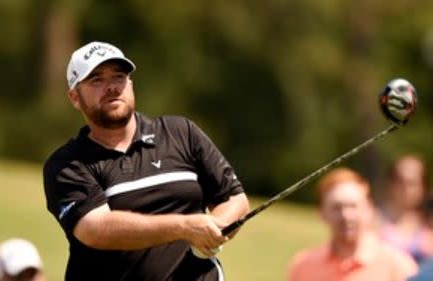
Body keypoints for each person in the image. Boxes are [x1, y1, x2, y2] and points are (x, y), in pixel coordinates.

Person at [42, 41, 250, 281]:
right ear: (74, 97)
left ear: (130, 84)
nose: (111, 87)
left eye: (119, 77)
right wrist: (184, 227)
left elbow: (233, 198)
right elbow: (96, 229)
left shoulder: (181, 133)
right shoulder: (67, 164)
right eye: (96, 80)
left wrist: (214, 227)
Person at [287, 168, 418, 281]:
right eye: (336, 207)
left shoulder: (399, 266)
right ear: (321, 213)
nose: (346, 216)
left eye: (353, 206)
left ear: (369, 210)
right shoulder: (303, 265)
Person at [378, 155, 433, 264]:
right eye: (399, 181)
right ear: (390, 184)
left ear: (423, 187)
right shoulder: (374, 220)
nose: (405, 188)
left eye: (412, 183)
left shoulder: (429, 223)